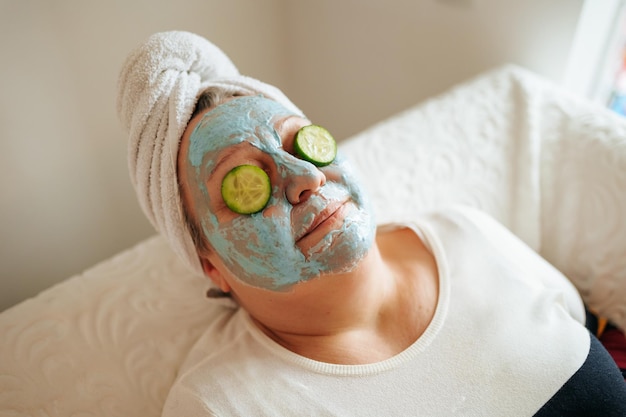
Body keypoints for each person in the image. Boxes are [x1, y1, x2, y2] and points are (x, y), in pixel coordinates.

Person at [117, 31, 626, 416]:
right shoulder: (219, 405)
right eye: (245, 182)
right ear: (212, 268)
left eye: (301, 141)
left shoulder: (462, 230)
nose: (305, 179)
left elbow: (580, 319)